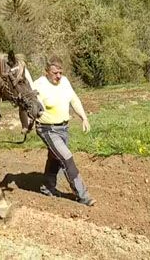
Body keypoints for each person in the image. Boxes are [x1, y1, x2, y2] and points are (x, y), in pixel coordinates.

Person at [31, 55, 96, 206]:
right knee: (66, 158)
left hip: (63, 127)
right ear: (46, 71)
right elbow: (30, 106)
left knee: (56, 158)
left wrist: (84, 118)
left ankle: (47, 187)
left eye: (60, 72)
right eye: (55, 73)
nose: (58, 76)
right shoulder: (38, 85)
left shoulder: (64, 82)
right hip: (47, 129)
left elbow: (74, 99)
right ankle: (83, 195)